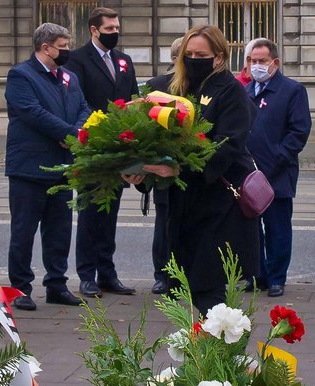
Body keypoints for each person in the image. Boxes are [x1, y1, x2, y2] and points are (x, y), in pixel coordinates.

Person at [123, 25, 260, 315]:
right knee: (190, 288)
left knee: (208, 288)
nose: (193, 59)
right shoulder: (172, 88)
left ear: (219, 57)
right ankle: (216, 351)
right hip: (182, 207)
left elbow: (227, 146)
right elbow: (154, 140)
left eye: (202, 54)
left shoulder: (231, 91)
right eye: (189, 53)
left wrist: (177, 170)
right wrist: (142, 174)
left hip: (218, 206)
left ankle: (226, 350)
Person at [4, 23, 90, 310]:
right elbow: (31, 112)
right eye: (62, 47)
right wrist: (68, 135)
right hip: (29, 167)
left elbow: (83, 109)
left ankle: (56, 284)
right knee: (23, 231)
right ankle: (19, 289)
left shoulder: (68, 76)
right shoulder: (21, 75)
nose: (67, 51)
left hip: (62, 166)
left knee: (59, 231)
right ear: (45, 47)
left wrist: (77, 134)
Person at [65, 7, 139, 298]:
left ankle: (108, 273)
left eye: (117, 28)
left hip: (119, 146)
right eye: (109, 29)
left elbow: (132, 97)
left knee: (110, 212)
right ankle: (87, 275)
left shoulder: (124, 60)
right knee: (89, 213)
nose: (114, 33)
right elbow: (76, 100)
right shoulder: (77, 59)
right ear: (94, 30)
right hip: (92, 146)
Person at [244, 39, 312, 297]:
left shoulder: (292, 90)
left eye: (262, 61)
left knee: (277, 228)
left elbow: (299, 132)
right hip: (248, 174)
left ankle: (276, 278)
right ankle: (256, 275)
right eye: (252, 61)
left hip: (277, 174)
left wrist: (274, 162)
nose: (257, 66)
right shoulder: (246, 91)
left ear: (275, 63)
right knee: (252, 230)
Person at [144, 36, 183, 295]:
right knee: (164, 223)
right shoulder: (156, 85)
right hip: (164, 169)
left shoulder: (203, 86)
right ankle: (162, 275)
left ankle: (184, 274)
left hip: (193, 169)